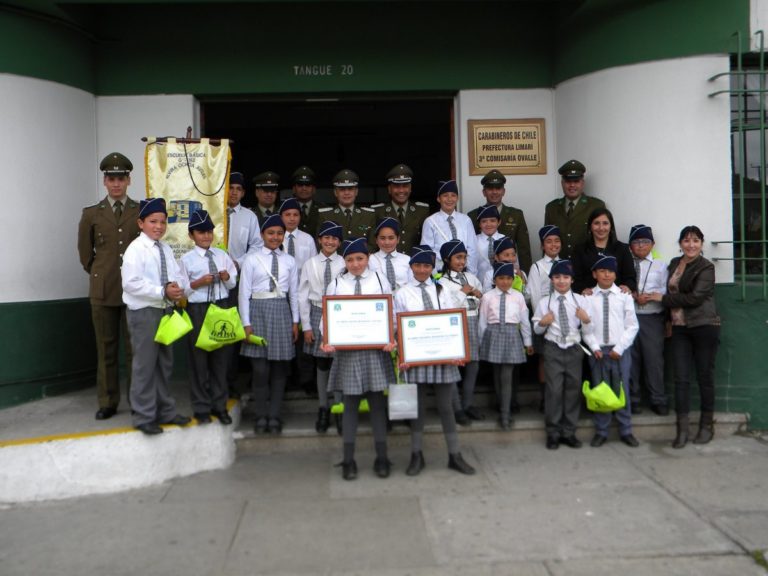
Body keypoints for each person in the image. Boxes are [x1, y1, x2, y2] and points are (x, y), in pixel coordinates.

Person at [395, 246, 476, 476]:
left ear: (433, 268)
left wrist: (458, 351)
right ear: (411, 267)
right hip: (416, 358)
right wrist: (402, 355)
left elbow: (453, 321)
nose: (422, 270)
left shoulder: (442, 291)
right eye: (417, 265)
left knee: (446, 407)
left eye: (427, 266)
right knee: (417, 409)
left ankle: (454, 455)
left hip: (442, 357)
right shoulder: (402, 293)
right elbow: (396, 327)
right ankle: (416, 455)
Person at [321, 237, 397, 481]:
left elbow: (391, 311)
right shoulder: (336, 283)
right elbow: (327, 315)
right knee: (351, 405)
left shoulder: (378, 279)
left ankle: (382, 457)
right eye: (350, 259)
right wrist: (327, 338)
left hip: (375, 350)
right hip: (348, 352)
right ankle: (348, 459)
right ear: (344, 261)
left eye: (360, 259)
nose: (355, 264)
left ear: (367, 259)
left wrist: (391, 335)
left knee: (377, 404)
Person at [77, 152, 140, 420]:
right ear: (104, 181)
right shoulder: (92, 214)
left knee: (135, 351)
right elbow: (84, 254)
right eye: (111, 179)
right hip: (103, 290)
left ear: (129, 180)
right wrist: (99, 273)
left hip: (135, 290)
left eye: (121, 178)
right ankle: (108, 401)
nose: (116, 184)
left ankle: (138, 400)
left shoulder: (140, 211)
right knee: (106, 349)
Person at [121, 198, 191, 435]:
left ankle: (166, 411)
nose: (159, 226)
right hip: (144, 313)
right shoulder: (136, 249)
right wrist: (162, 291)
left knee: (164, 363)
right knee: (145, 365)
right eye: (153, 221)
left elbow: (175, 275)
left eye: (163, 222)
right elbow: (131, 284)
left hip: (165, 311)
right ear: (141, 223)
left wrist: (177, 288)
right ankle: (143, 416)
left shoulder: (166, 249)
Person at [647, 225, 720, 448]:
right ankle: (682, 430)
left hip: (703, 325)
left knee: (704, 376)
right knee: (681, 379)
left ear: (701, 244)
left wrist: (662, 299)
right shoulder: (673, 264)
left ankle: (707, 425)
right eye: (687, 241)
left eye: (696, 240)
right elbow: (671, 292)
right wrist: (669, 321)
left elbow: (695, 298)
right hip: (679, 328)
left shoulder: (706, 267)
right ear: (680, 244)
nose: (691, 245)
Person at [239, 213, 299, 434]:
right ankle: (260, 415)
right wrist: (245, 323)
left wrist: (295, 321)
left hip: (281, 312)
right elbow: (243, 294)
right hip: (258, 312)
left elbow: (294, 293)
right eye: (271, 233)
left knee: (279, 370)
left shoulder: (289, 261)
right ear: (262, 234)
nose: (275, 237)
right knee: (260, 369)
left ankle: (274, 416)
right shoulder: (252, 260)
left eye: (279, 233)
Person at [180, 210, 237, 425]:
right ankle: (201, 407)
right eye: (201, 232)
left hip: (221, 307)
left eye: (209, 232)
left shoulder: (222, 255)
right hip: (198, 309)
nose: (206, 236)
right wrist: (197, 283)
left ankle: (219, 406)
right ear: (191, 235)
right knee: (199, 361)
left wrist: (226, 277)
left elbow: (232, 283)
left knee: (220, 359)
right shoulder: (186, 259)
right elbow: (182, 291)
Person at [531, 260, 591, 450]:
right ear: (551, 280)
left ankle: (569, 431)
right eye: (557, 277)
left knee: (573, 389)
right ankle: (553, 432)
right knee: (554, 390)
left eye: (565, 277)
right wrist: (543, 322)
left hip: (573, 347)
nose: (561, 281)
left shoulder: (580, 301)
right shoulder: (544, 302)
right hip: (553, 347)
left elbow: (590, 329)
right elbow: (537, 330)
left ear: (572, 280)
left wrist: (586, 320)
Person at [582, 256, 640, 448]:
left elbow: (632, 326)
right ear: (594, 274)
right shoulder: (588, 298)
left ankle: (626, 429)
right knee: (601, 390)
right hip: (598, 351)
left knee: (621, 388)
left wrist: (619, 348)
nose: (607, 275)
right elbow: (585, 327)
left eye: (611, 271)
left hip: (620, 350)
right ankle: (602, 430)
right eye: (602, 271)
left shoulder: (624, 297)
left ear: (616, 274)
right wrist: (594, 347)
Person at [298, 221, 345, 433]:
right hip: (317, 311)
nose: (330, 241)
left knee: (339, 362)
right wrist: (306, 325)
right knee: (322, 364)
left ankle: (340, 407)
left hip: (339, 313)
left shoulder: (345, 262)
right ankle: (323, 407)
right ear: (319, 240)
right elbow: (302, 295)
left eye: (334, 238)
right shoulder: (310, 263)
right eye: (326, 237)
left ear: (339, 242)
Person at [479, 262, 533, 430]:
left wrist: (528, 342)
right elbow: (482, 322)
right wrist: (481, 343)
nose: (505, 282)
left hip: (511, 335)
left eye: (509, 278)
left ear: (513, 279)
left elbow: (524, 321)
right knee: (497, 373)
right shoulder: (488, 297)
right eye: (501, 278)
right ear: (495, 279)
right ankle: (501, 406)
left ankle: (505, 413)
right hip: (493, 334)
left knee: (507, 376)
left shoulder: (518, 297)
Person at [225, 171, 262, 396]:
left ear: (243, 193)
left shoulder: (249, 216)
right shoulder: (212, 211)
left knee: (232, 333)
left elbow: (257, 246)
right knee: (214, 332)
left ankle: (230, 382)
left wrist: (237, 263)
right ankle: (216, 382)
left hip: (237, 282)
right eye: (231, 187)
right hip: (212, 282)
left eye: (238, 189)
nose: (234, 192)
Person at [437, 239, 483, 423]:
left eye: (464, 257)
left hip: (473, 323)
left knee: (473, 365)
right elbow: (446, 306)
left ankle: (467, 404)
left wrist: (479, 295)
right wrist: (463, 292)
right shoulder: (442, 282)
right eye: (458, 257)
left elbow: (480, 301)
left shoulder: (472, 278)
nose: (462, 261)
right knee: (454, 366)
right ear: (447, 259)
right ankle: (456, 408)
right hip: (455, 324)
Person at [627, 224, 669, 415]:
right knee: (631, 358)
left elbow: (666, 290)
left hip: (652, 317)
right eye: (636, 242)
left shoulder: (661, 266)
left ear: (652, 244)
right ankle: (633, 398)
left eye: (645, 242)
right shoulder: (626, 263)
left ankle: (658, 399)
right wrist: (634, 295)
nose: (641, 246)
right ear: (630, 246)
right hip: (630, 316)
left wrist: (650, 296)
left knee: (654, 359)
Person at [280, 197, 318, 393]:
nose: (292, 218)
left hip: (303, 292)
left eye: (295, 215)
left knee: (304, 336)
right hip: (283, 292)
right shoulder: (276, 238)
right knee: (285, 335)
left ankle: (306, 379)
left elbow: (312, 267)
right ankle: (286, 378)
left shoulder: (307, 239)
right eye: (287, 215)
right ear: (281, 217)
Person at [527, 225, 563, 407]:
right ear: (542, 246)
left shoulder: (566, 265)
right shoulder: (537, 267)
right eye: (549, 242)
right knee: (544, 358)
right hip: (544, 319)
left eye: (557, 241)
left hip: (562, 320)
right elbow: (534, 295)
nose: (553, 245)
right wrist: (541, 319)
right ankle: (545, 396)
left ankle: (560, 395)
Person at [467, 169, 532, 271]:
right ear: (484, 192)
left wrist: (524, 276)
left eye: (498, 188)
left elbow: (524, 251)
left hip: (509, 276)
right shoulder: (472, 216)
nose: (494, 192)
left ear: (503, 191)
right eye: (490, 188)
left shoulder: (516, 215)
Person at [544, 160, 606, 260]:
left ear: (582, 183)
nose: (572, 185)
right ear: (562, 183)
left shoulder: (596, 206)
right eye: (568, 181)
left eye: (576, 181)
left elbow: (606, 240)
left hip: (587, 267)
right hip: (560, 269)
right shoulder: (551, 208)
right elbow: (547, 241)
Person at [572, 208, 637, 295]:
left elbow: (630, 277)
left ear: (611, 226)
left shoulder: (622, 249)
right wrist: (582, 289)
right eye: (596, 223)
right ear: (590, 226)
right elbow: (575, 279)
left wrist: (628, 287)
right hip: (589, 300)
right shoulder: (579, 250)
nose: (601, 228)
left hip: (616, 300)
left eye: (605, 223)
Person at [420, 180, 479, 274]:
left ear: (457, 198)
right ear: (438, 199)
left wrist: (470, 274)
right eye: (445, 195)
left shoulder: (465, 220)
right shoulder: (430, 222)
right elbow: (427, 251)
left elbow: (472, 249)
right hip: (441, 272)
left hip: (463, 271)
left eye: (453, 195)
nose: (449, 199)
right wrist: (435, 276)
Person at [371, 163, 430, 253]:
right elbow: (373, 242)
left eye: (405, 186)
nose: (401, 190)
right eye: (397, 186)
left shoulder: (422, 211)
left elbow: (426, 241)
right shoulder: (378, 211)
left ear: (410, 188)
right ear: (389, 189)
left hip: (415, 264)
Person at [318, 169, 376, 249]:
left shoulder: (368, 216)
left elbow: (373, 245)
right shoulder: (325, 216)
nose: (346, 193)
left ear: (356, 191)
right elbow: (320, 244)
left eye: (350, 189)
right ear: (335, 192)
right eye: (342, 189)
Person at [368, 217, 413, 291]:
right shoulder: (370, 260)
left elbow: (412, 284)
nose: (387, 242)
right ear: (376, 240)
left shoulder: (407, 260)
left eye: (391, 238)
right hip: (380, 300)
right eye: (382, 238)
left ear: (398, 239)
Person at [290, 166, 325, 237]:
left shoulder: (324, 209)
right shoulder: (286, 210)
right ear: (294, 189)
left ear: (314, 189)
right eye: (300, 185)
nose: (304, 188)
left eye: (308, 185)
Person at [475, 204, 505, 282]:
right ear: (479, 224)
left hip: (503, 284)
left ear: (499, 222)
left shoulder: (505, 239)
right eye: (484, 221)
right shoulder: (474, 240)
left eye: (492, 220)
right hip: (479, 283)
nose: (488, 224)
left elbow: (514, 264)